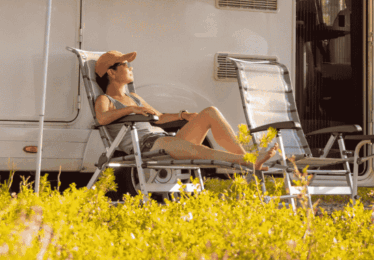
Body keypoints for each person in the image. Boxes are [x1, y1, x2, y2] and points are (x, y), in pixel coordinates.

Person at [93, 50, 277, 171]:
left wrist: (182, 115)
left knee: (210, 111)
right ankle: (245, 162)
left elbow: (160, 117)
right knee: (195, 149)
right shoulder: (105, 100)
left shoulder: (135, 97)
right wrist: (130, 110)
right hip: (145, 146)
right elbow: (102, 118)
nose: (131, 68)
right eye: (125, 65)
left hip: (163, 141)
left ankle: (246, 158)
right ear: (111, 72)